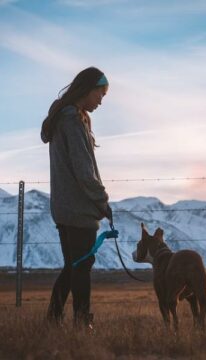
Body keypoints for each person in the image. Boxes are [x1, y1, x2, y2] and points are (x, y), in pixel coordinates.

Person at [41, 67, 112, 329]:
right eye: (100, 94)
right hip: (79, 208)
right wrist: (102, 201)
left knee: (73, 266)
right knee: (82, 266)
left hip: (63, 207)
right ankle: (82, 323)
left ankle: (53, 318)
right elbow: (85, 172)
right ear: (88, 89)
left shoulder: (63, 118)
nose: (101, 101)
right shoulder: (72, 121)